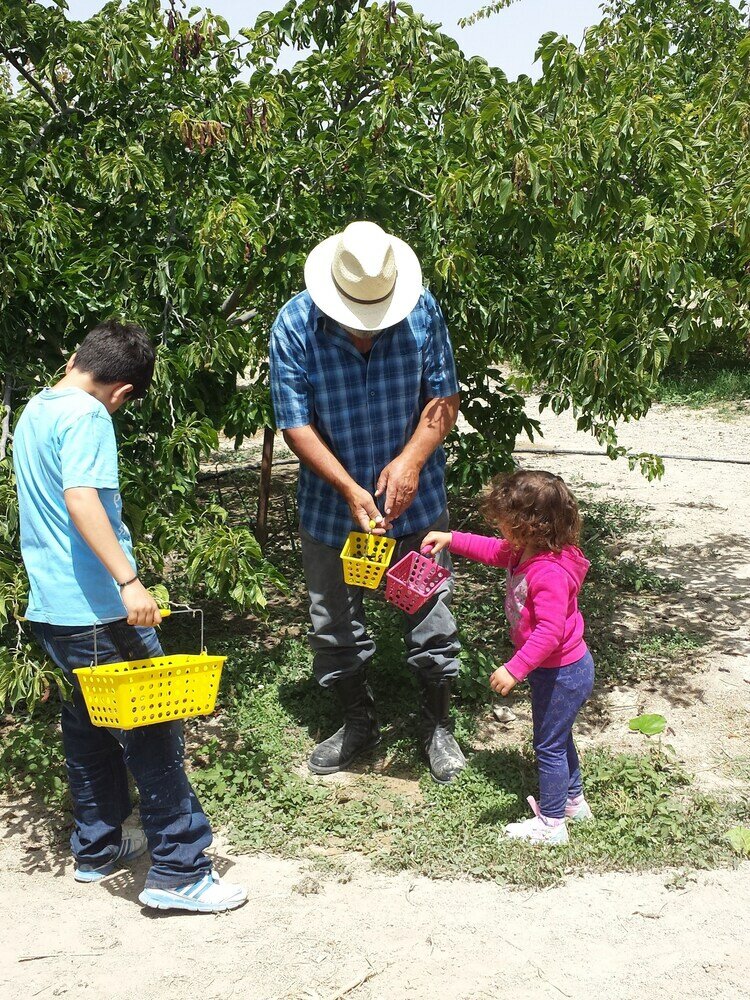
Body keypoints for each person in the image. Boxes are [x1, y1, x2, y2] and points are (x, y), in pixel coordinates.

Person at [13, 319, 247, 911]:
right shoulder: (90, 416)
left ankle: (98, 849)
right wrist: (130, 580)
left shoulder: (36, 409)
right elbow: (82, 498)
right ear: (122, 393)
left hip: (53, 608)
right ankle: (179, 872)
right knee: (153, 728)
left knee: (88, 725)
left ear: (76, 357)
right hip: (97, 607)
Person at [270, 221, 465, 783]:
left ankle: (436, 724)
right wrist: (351, 489)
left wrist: (410, 461)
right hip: (334, 511)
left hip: (416, 505)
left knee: (428, 610)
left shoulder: (422, 311)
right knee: (333, 620)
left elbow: (443, 397)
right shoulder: (294, 325)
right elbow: (296, 425)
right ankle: (357, 722)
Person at [423, 469, 595, 844]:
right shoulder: (528, 550)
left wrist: (515, 668)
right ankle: (573, 803)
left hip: (563, 671)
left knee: (548, 745)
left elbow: (551, 632)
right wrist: (450, 538)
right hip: (558, 670)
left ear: (528, 525)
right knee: (558, 736)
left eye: (504, 523)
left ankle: (551, 824)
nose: (500, 529)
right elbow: (491, 550)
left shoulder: (548, 572)